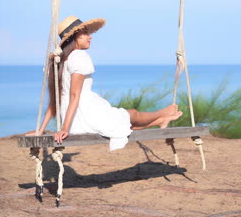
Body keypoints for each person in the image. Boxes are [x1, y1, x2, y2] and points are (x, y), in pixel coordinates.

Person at [27, 16, 183, 151]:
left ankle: (161, 119)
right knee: (131, 114)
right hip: (86, 113)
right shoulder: (79, 57)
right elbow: (75, 95)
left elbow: (55, 100)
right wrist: (64, 129)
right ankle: (162, 113)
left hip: (74, 120)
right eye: (85, 33)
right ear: (75, 36)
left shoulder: (59, 61)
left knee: (124, 123)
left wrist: (41, 130)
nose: (90, 37)